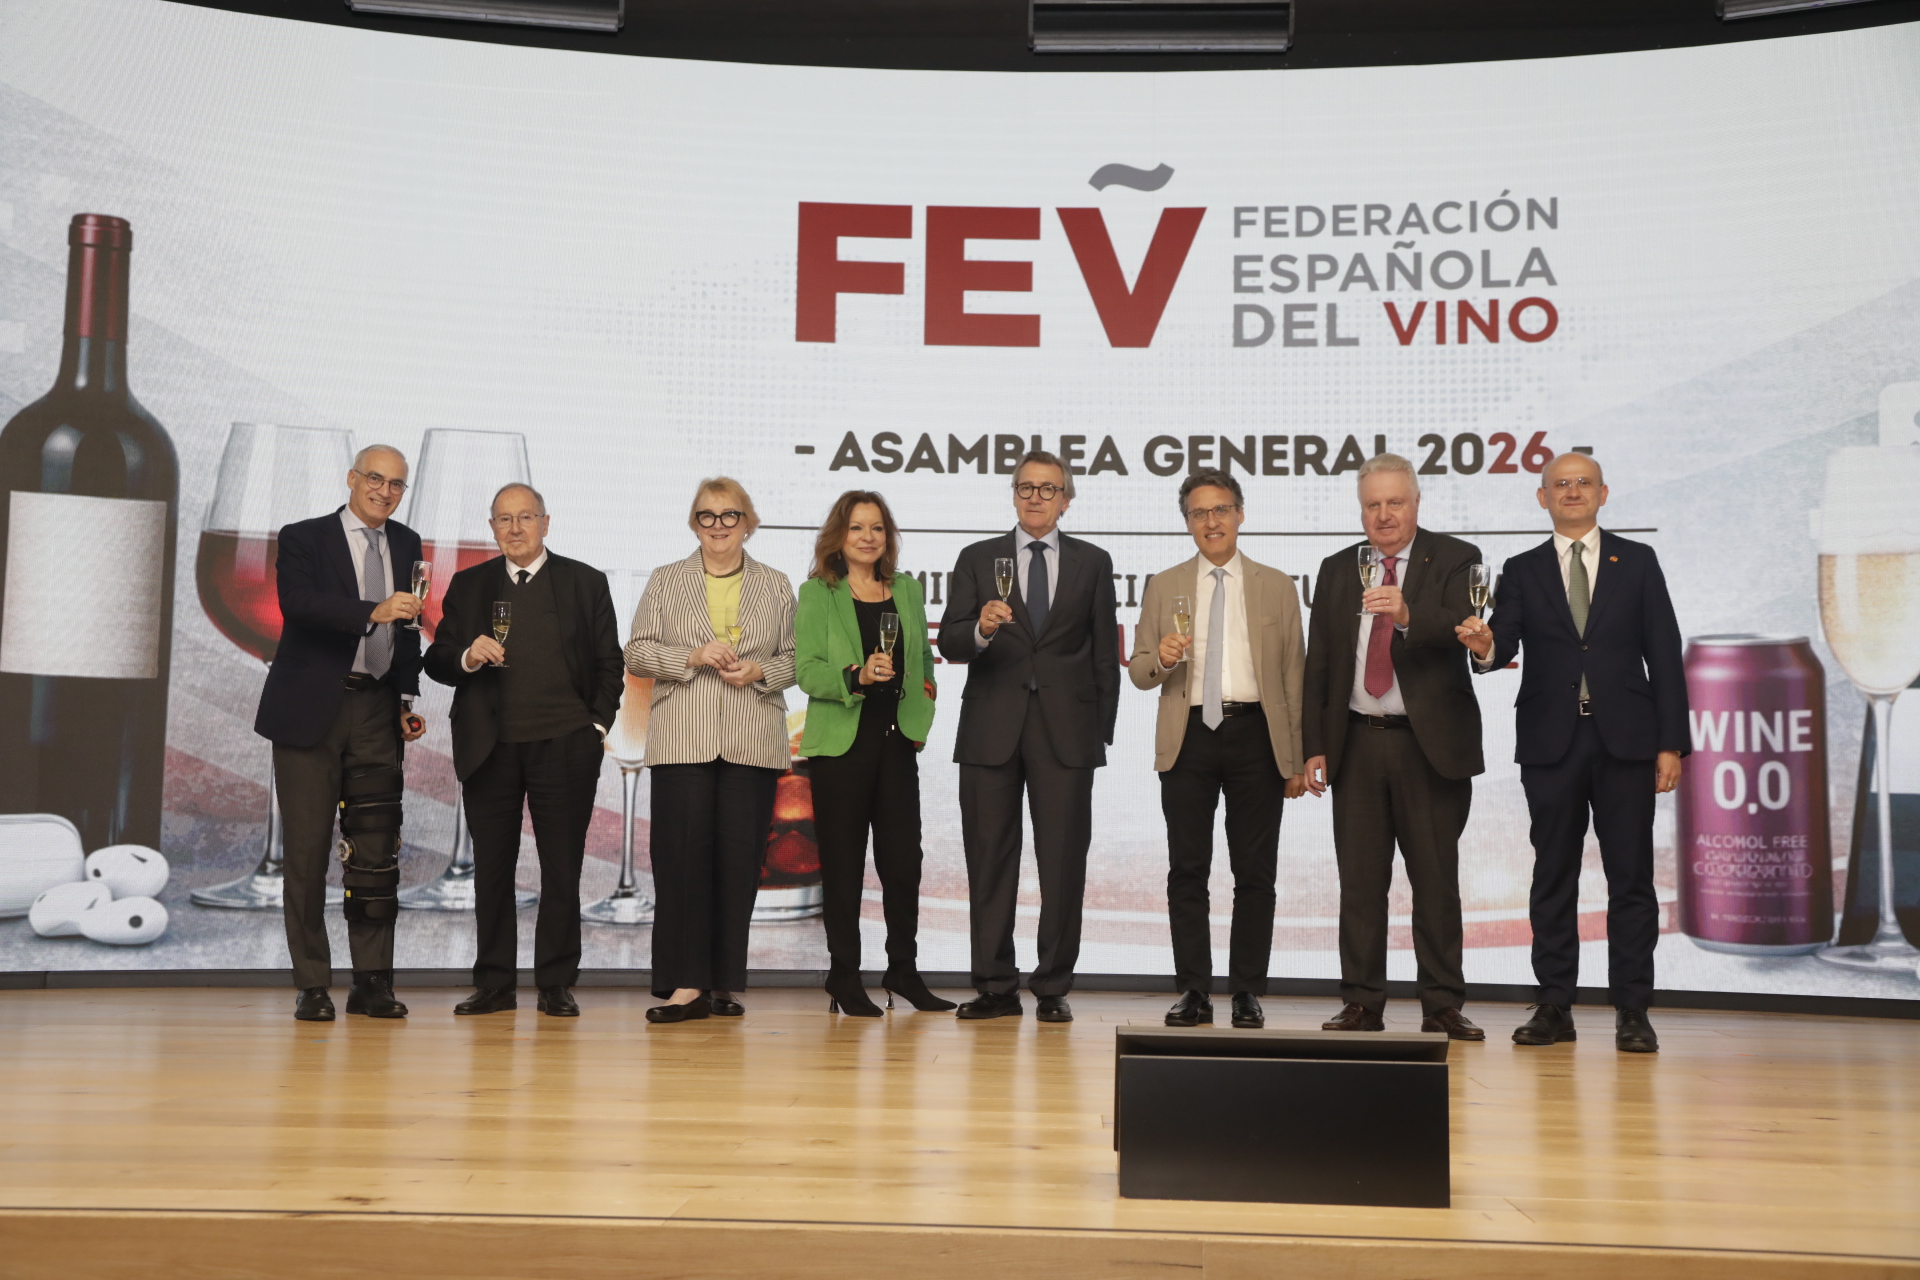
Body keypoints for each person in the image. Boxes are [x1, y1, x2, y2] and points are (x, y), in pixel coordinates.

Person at [1456, 451, 1687, 1053]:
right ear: (1543, 498)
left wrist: (1670, 744)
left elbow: (1664, 653)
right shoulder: (1522, 568)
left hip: (1627, 742)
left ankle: (1633, 1008)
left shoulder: (1638, 561)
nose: (1573, 491)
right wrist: (1484, 646)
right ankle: (1554, 1003)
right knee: (1552, 876)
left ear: (1603, 493)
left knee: (1631, 879)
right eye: (1560, 484)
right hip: (1551, 742)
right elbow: (1502, 642)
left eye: (1584, 482)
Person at [1300, 453, 1486, 1040]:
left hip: (1427, 748)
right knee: (1360, 885)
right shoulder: (1337, 568)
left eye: (1394, 502)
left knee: (1435, 880)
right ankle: (1361, 1003)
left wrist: (1407, 613)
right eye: (1372, 505)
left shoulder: (1456, 558)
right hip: (1356, 743)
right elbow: (1320, 661)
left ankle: (1442, 1004)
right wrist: (1314, 745)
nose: (1383, 515)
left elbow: (1463, 625)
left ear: (1416, 503)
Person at [424, 483, 623, 1019]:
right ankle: (495, 984)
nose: (515, 529)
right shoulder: (469, 585)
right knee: (492, 870)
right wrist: (466, 656)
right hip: (490, 748)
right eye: (504, 519)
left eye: (525, 518)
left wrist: (594, 726)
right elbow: (437, 659)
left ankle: (556, 983)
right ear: (492, 528)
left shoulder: (585, 582)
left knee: (562, 869)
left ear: (545, 523)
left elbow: (610, 663)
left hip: (565, 745)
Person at [937, 450, 1119, 1023]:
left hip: (1068, 733)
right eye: (1026, 487)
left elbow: (1104, 654)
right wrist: (981, 628)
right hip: (990, 729)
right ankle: (995, 985)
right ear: (1013, 494)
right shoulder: (977, 558)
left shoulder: (1094, 562)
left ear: (1067, 500)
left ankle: (1053, 985)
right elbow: (950, 642)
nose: (1035, 497)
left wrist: (1100, 734)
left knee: (1063, 862)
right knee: (989, 860)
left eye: (1048, 489)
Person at [1129, 470, 1308, 1030]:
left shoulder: (1277, 585)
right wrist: (1162, 658)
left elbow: (1294, 676)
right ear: (1186, 522)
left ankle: (1247, 990)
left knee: (1255, 872)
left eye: (1221, 510)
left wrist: (1295, 759)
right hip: (1188, 736)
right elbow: (1139, 671)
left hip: (1256, 735)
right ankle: (1194, 990)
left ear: (1240, 515)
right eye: (1199, 513)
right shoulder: (1164, 585)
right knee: (1187, 869)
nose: (1212, 521)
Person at [255, 444, 426, 1022]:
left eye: (396, 484)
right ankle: (312, 984)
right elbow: (298, 605)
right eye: (375, 478)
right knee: (306, 853)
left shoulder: (407, 542)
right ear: (352, 478)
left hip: (378, 709)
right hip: (310, 711)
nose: (385, 491)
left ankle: (373, 983)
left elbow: (409, 628)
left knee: (377, 850)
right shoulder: (303, 536)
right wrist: (372, 610)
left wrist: (405, 698)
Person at [624, 477, 796, 1023]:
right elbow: (637, 651)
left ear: (748, 523)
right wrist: (691, 656)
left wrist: (762, 669)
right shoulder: (666, 579)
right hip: (682, 738)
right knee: (681, 861)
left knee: (738, 865)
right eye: (707, 516)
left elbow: (798, 658)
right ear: (693, 523)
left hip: (752, 740)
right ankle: (685, 984)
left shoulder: (775, 584)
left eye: (729, 515)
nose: (718, 526)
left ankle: (722, 983)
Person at [794, 490, 953, 1017]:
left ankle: (903, 970)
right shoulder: (818, 592)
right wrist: (855, 676)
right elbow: (805, 670)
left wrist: (923, 709)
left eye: (877, 527)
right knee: (843, 866)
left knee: (904, 863)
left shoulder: (906, 588)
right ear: (839, 536)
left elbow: (922, 660)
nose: (868, 537)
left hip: (896, 743)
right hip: (842, 747)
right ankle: (843, 975)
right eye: (857, 527)